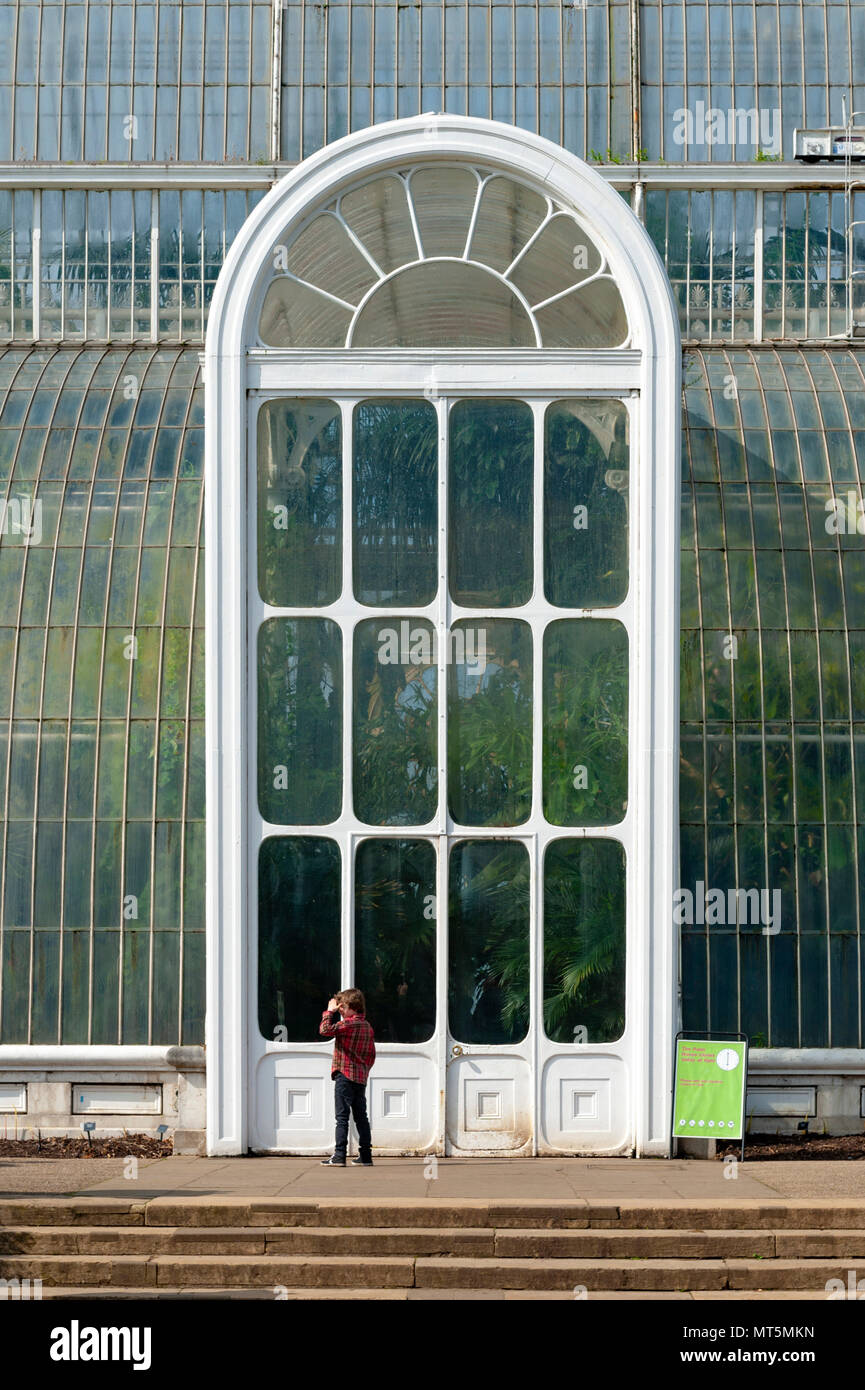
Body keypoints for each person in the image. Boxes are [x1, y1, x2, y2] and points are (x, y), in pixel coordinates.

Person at [319, 988, 376, 1167]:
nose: (340, 1010)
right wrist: (364, 1069)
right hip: (360, 1078)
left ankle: (339, 1155)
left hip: (344, 1076)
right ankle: (366, 1155)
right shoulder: (367, 1026)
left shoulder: (347, 1025)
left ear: (353, 1007)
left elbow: (325, 1030)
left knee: (342, 1117)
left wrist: (330, 1012)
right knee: (361, 1117)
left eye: (342, 1007)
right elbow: (371, 1054)